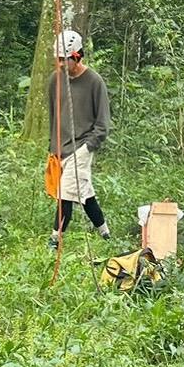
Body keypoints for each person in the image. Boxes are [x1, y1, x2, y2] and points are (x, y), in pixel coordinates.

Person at [47, 29, 112, 250]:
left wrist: (88, 147)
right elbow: (53, 116)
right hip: (61, 148)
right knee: (85, 193)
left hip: (83, 146)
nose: (62, 65)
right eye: (59, 60)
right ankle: (105, 232)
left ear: (77, 56)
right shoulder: (55, 80)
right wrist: (52, 148)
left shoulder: (95, 82)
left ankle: (55, 239)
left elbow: (103, 124)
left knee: (65, 193)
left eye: (66, 60)